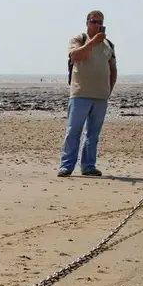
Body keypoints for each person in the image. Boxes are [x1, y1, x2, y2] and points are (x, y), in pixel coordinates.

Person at [57, 10, 117, 177]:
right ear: (87, 22)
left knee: (93, 134)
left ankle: (88, 166)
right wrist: (92, 42)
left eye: (100, 23)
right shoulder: (79, 39)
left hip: (100, 96)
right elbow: (75, 56)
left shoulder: (108, 45)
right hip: (80, 94)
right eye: (94, 22)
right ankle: (66, 166)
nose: (98, 25)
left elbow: (113, 69)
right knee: (73, 131)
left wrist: (108, 90)